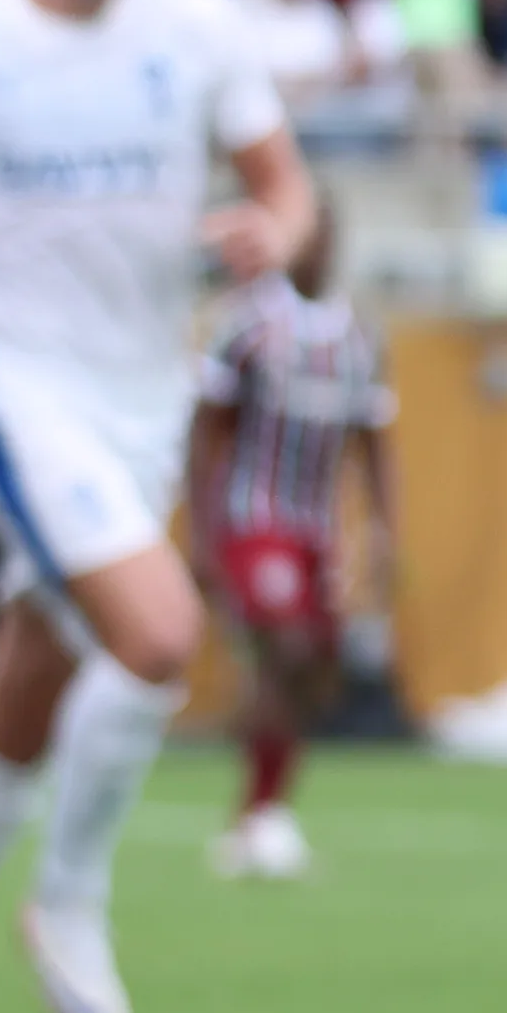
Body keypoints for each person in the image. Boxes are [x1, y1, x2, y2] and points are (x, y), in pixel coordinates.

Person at [0, 0, 316, 1013]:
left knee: (25, 702)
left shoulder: (197, 29)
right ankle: (71, 898)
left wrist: (274, 228)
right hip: (11, 390)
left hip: (144, 396)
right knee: (155, 635)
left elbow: (288, 187)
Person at [186, 198, 399, 880]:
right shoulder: (248, 323)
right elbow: (207, 430)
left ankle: (262, 805)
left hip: (317, 525)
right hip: (256, 516)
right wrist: (200, 529)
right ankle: (261, 816)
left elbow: (374, 440)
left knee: (314, 669)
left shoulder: (358, 335)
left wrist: (385, 530)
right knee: (287, 642)